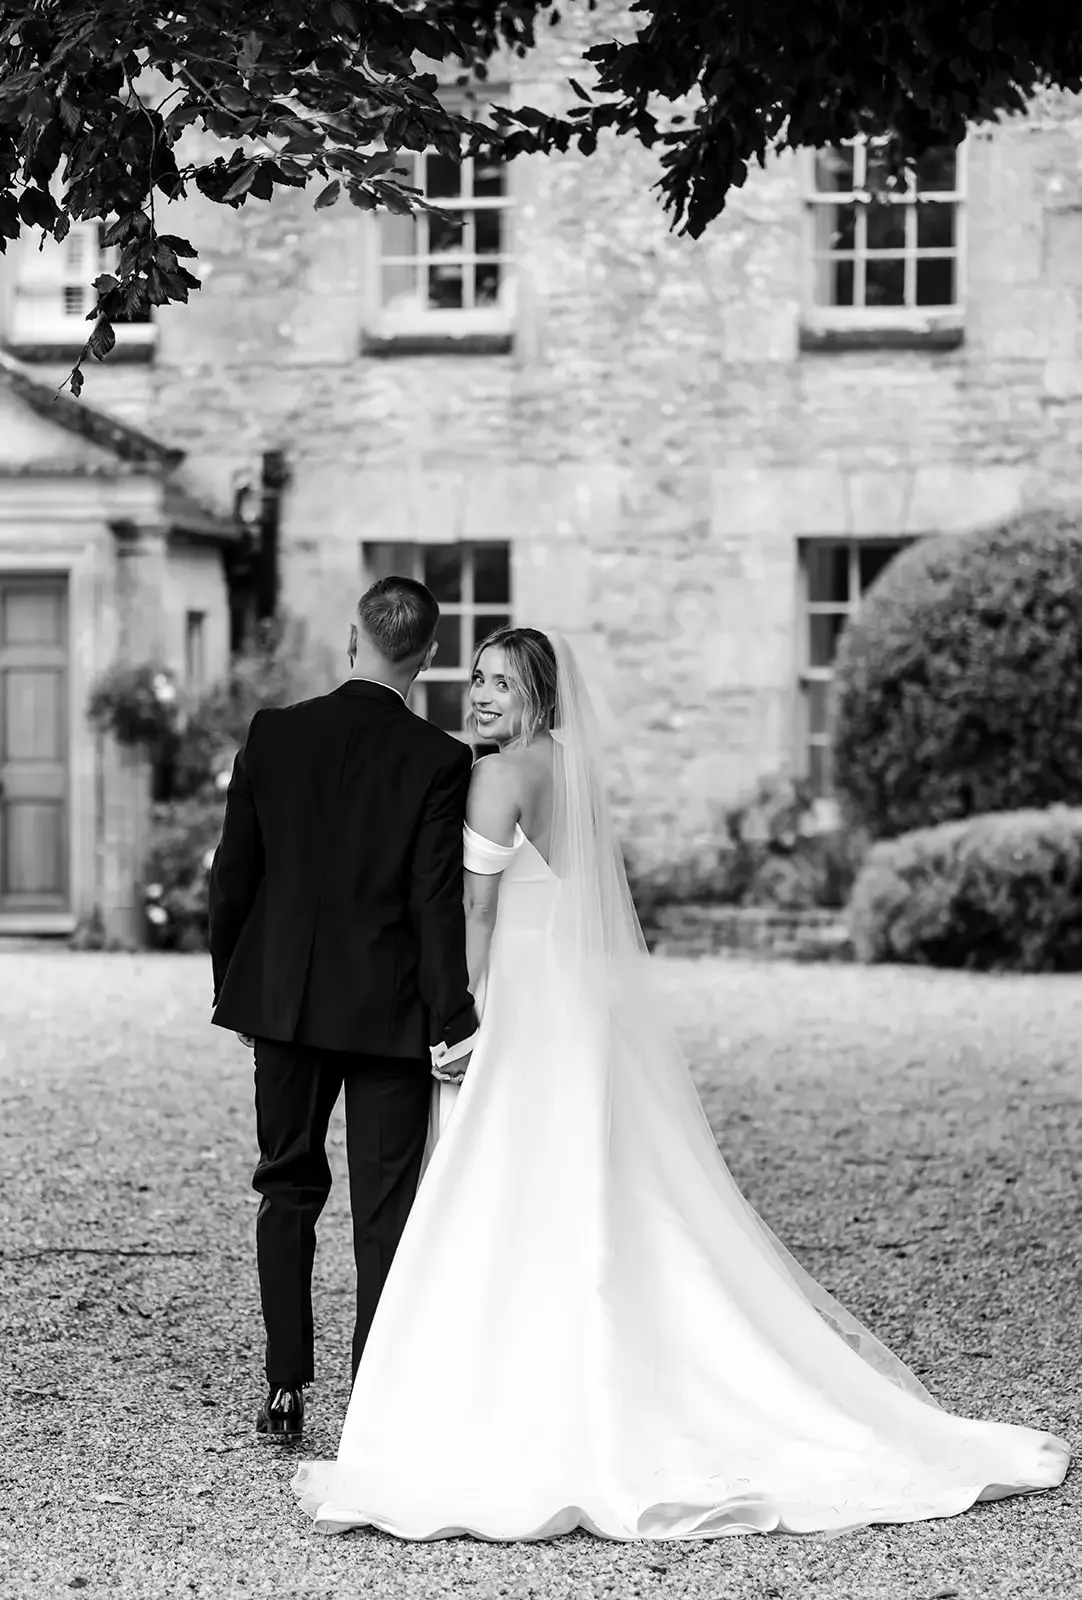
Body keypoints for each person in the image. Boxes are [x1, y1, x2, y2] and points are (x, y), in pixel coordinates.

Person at [292, 624, 1069, 1540]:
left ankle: (509, 1393)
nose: (483, 695)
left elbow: (477, 905)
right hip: (574, 1000)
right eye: (479, 679)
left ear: (539, 693)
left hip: (517, 998)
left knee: (490, 1175)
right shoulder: (568, 767)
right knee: (579, 1173)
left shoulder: (498, 775)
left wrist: (457, 1015)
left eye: (503, 683)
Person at [208, 577, 477, 1442]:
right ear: (428, 657)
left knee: (285, 1189)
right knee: (383, 1211)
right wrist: (454, 1015)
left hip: (282, 1002)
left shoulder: (275, 735)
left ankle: (285, 1390)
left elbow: (232, 878)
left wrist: (234, 986)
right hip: (388, 1011)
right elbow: (435, 903)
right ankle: (375, 1396)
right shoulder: (440, 760)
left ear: (352, 637)